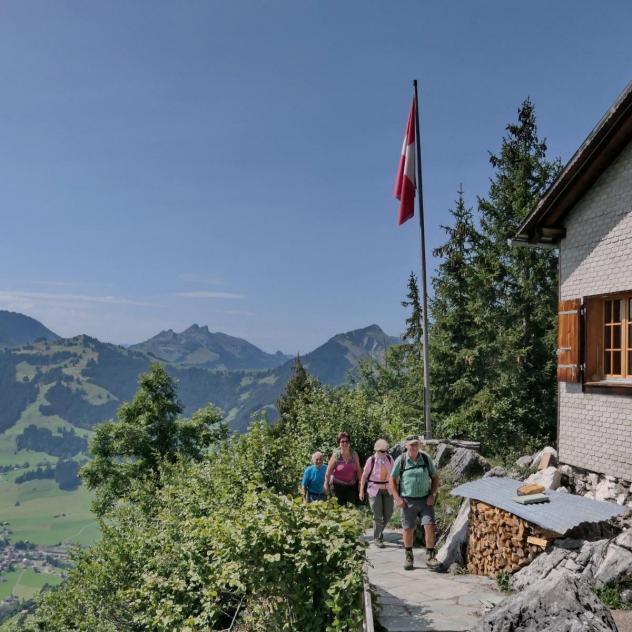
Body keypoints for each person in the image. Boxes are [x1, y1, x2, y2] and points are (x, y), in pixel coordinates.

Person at [389, 435, 440, 571]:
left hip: (425, 500)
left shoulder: (425, 458)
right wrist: (397, 498)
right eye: (411, 445)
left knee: (429, 525)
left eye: (416, 444)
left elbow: (435, 477)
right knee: (408, 528)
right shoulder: (401, 460)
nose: (414, 447)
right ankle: (409, 556)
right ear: (406, 446)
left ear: (419, 445)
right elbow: (392, 479)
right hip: (407, 500)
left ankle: (430, 555)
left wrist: (432, 495)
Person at [359, 439, 394, 548]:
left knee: (388, 513)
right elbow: (364, 476)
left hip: (388, 488)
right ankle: (377, 538)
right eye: (382, 451)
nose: (384, 453)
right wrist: (361, 490)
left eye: (385, 451)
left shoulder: (389, 458)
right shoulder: (371, 460)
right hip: (374, 489)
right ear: (377, 450)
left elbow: (394, 474)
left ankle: (379, 531)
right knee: (378, 515)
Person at [324, 431, 362, 505]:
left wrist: (361, 485)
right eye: (342, 441)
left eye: (346, 441)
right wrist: (326, 485)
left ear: (349, 443)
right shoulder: (335, 456)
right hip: (337, 486)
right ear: (339, 443)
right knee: (337, 510)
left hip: (351, 486)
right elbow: (328, 472)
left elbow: (358, 470)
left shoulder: (354, 455)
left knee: (351, 509)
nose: (344, 443)